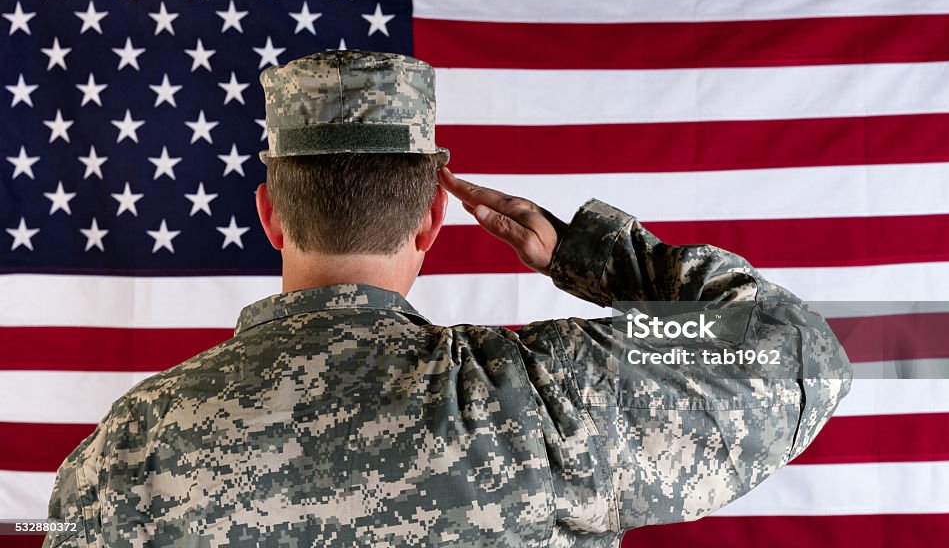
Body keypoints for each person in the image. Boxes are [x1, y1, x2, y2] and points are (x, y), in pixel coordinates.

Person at [44, 50, 852, 547]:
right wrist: (595, 257)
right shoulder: (541, 402)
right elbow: (799, 352)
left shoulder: (135, 442)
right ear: (434, 218)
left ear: (268, 216)